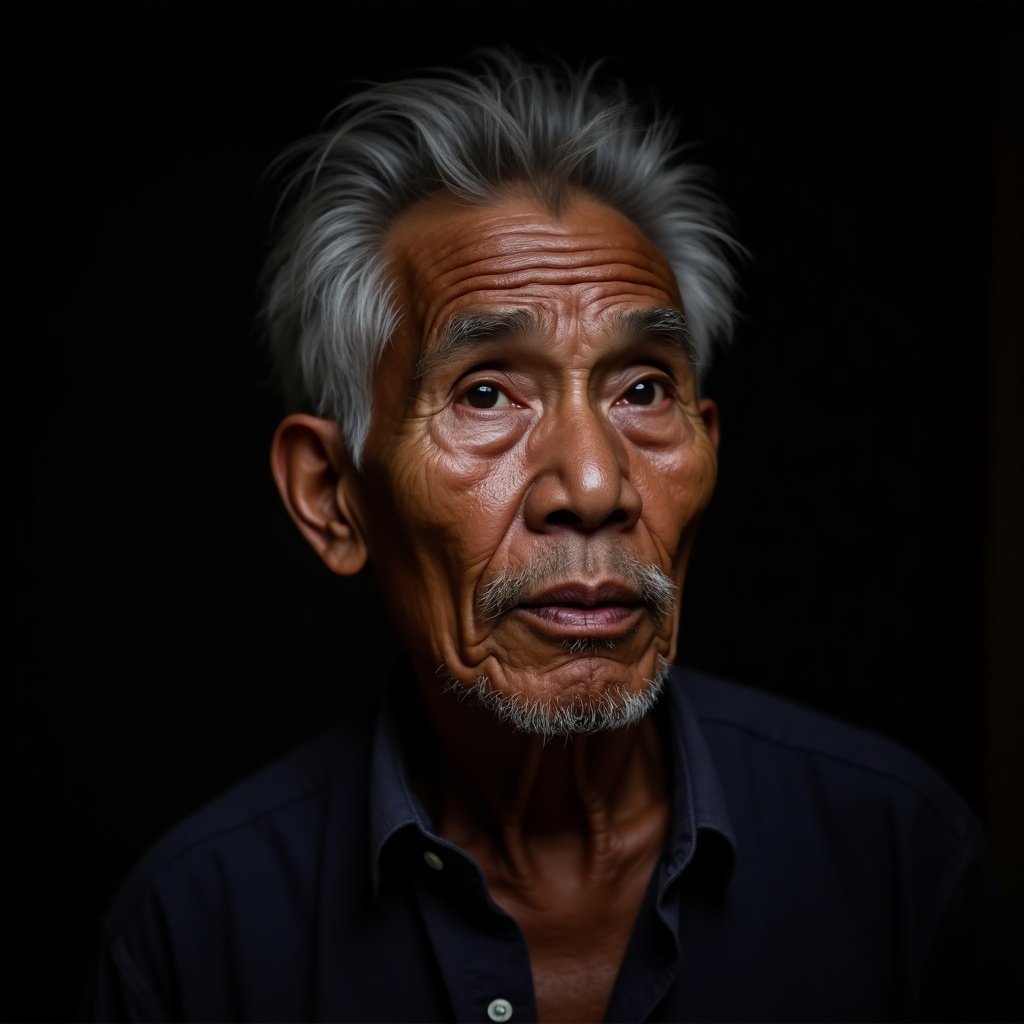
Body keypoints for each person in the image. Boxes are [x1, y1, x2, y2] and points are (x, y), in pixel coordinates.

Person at [86, 47, 1022, 1023]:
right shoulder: (199, 936)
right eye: (486, 391)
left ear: (705, 445)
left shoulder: (900, 860)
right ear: (332, 497)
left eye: (643, 389)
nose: (592, 482)